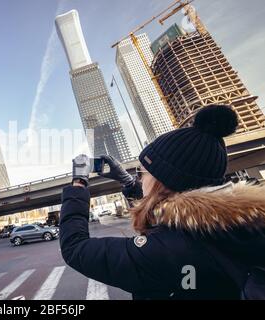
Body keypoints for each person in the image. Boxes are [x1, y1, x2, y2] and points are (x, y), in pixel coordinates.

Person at [60, 105, 265, 300]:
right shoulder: (241, 226)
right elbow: (168, 207)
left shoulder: (163, 252)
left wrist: (78, 182)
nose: (139, 178)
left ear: (163, 180)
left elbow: (75, 248)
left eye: (142, 172)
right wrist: (127, 182)